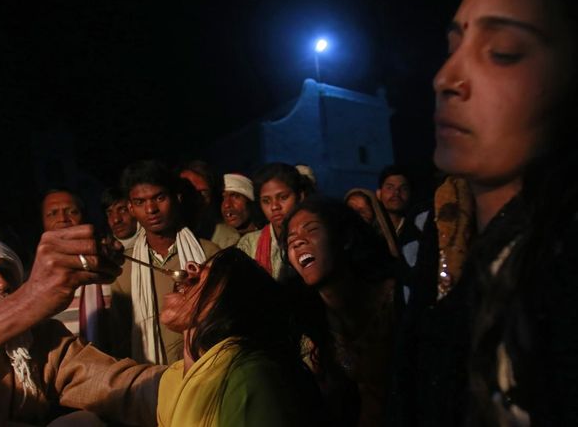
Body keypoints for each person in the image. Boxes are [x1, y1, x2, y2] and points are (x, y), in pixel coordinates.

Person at [391, 0, 578, 425]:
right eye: (453, 47)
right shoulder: (456, 236)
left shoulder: (560, 272)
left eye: (502, 52)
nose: (446, 77)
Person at [0, 230, 164, 426]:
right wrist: (29, 299)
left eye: (4, 271)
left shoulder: (40, 340)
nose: (0, 282)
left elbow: (126, 388)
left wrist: (198, 382)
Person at [156, 247, 320, 426]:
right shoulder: (171, 379)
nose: (191, 266)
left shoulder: (250, 378)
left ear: (235, 301)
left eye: (215, 271)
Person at [281, 197, 397, 427]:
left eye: (311, 230)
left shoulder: (395, 297)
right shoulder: (310, 318)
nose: (297, 242)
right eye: (290, 239)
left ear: (343, 238)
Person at [111, 160, 220, 364]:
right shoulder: (125, 266)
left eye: (159, 197)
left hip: (205, 373)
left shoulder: (209, 254)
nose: (151, 209)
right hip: (149, 382)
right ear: (131, 208)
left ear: (176, 197)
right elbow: (120, 340)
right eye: (140, 202)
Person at [41, 188, 107, 351]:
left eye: (72, 212)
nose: (63, 219)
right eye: (53, 213)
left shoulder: (107, 268)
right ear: (42, 222)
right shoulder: (34, 281)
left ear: (84, 218)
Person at [237, 163, 306, 279]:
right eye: (266, 201)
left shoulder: (313, 238)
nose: (274, 207)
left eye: (283, 197)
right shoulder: (249, 244)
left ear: (300, 196)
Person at [178, 160, 240, 249]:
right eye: (188, 192)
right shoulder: (159, 235)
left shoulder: (228, 239)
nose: (196, 198)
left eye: (203, 193)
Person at [375, 165, 412, 238]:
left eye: (403, 188)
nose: (396, 193)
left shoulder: (417, 228)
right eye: (390, 188)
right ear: (379, 193)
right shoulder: (369, 228)